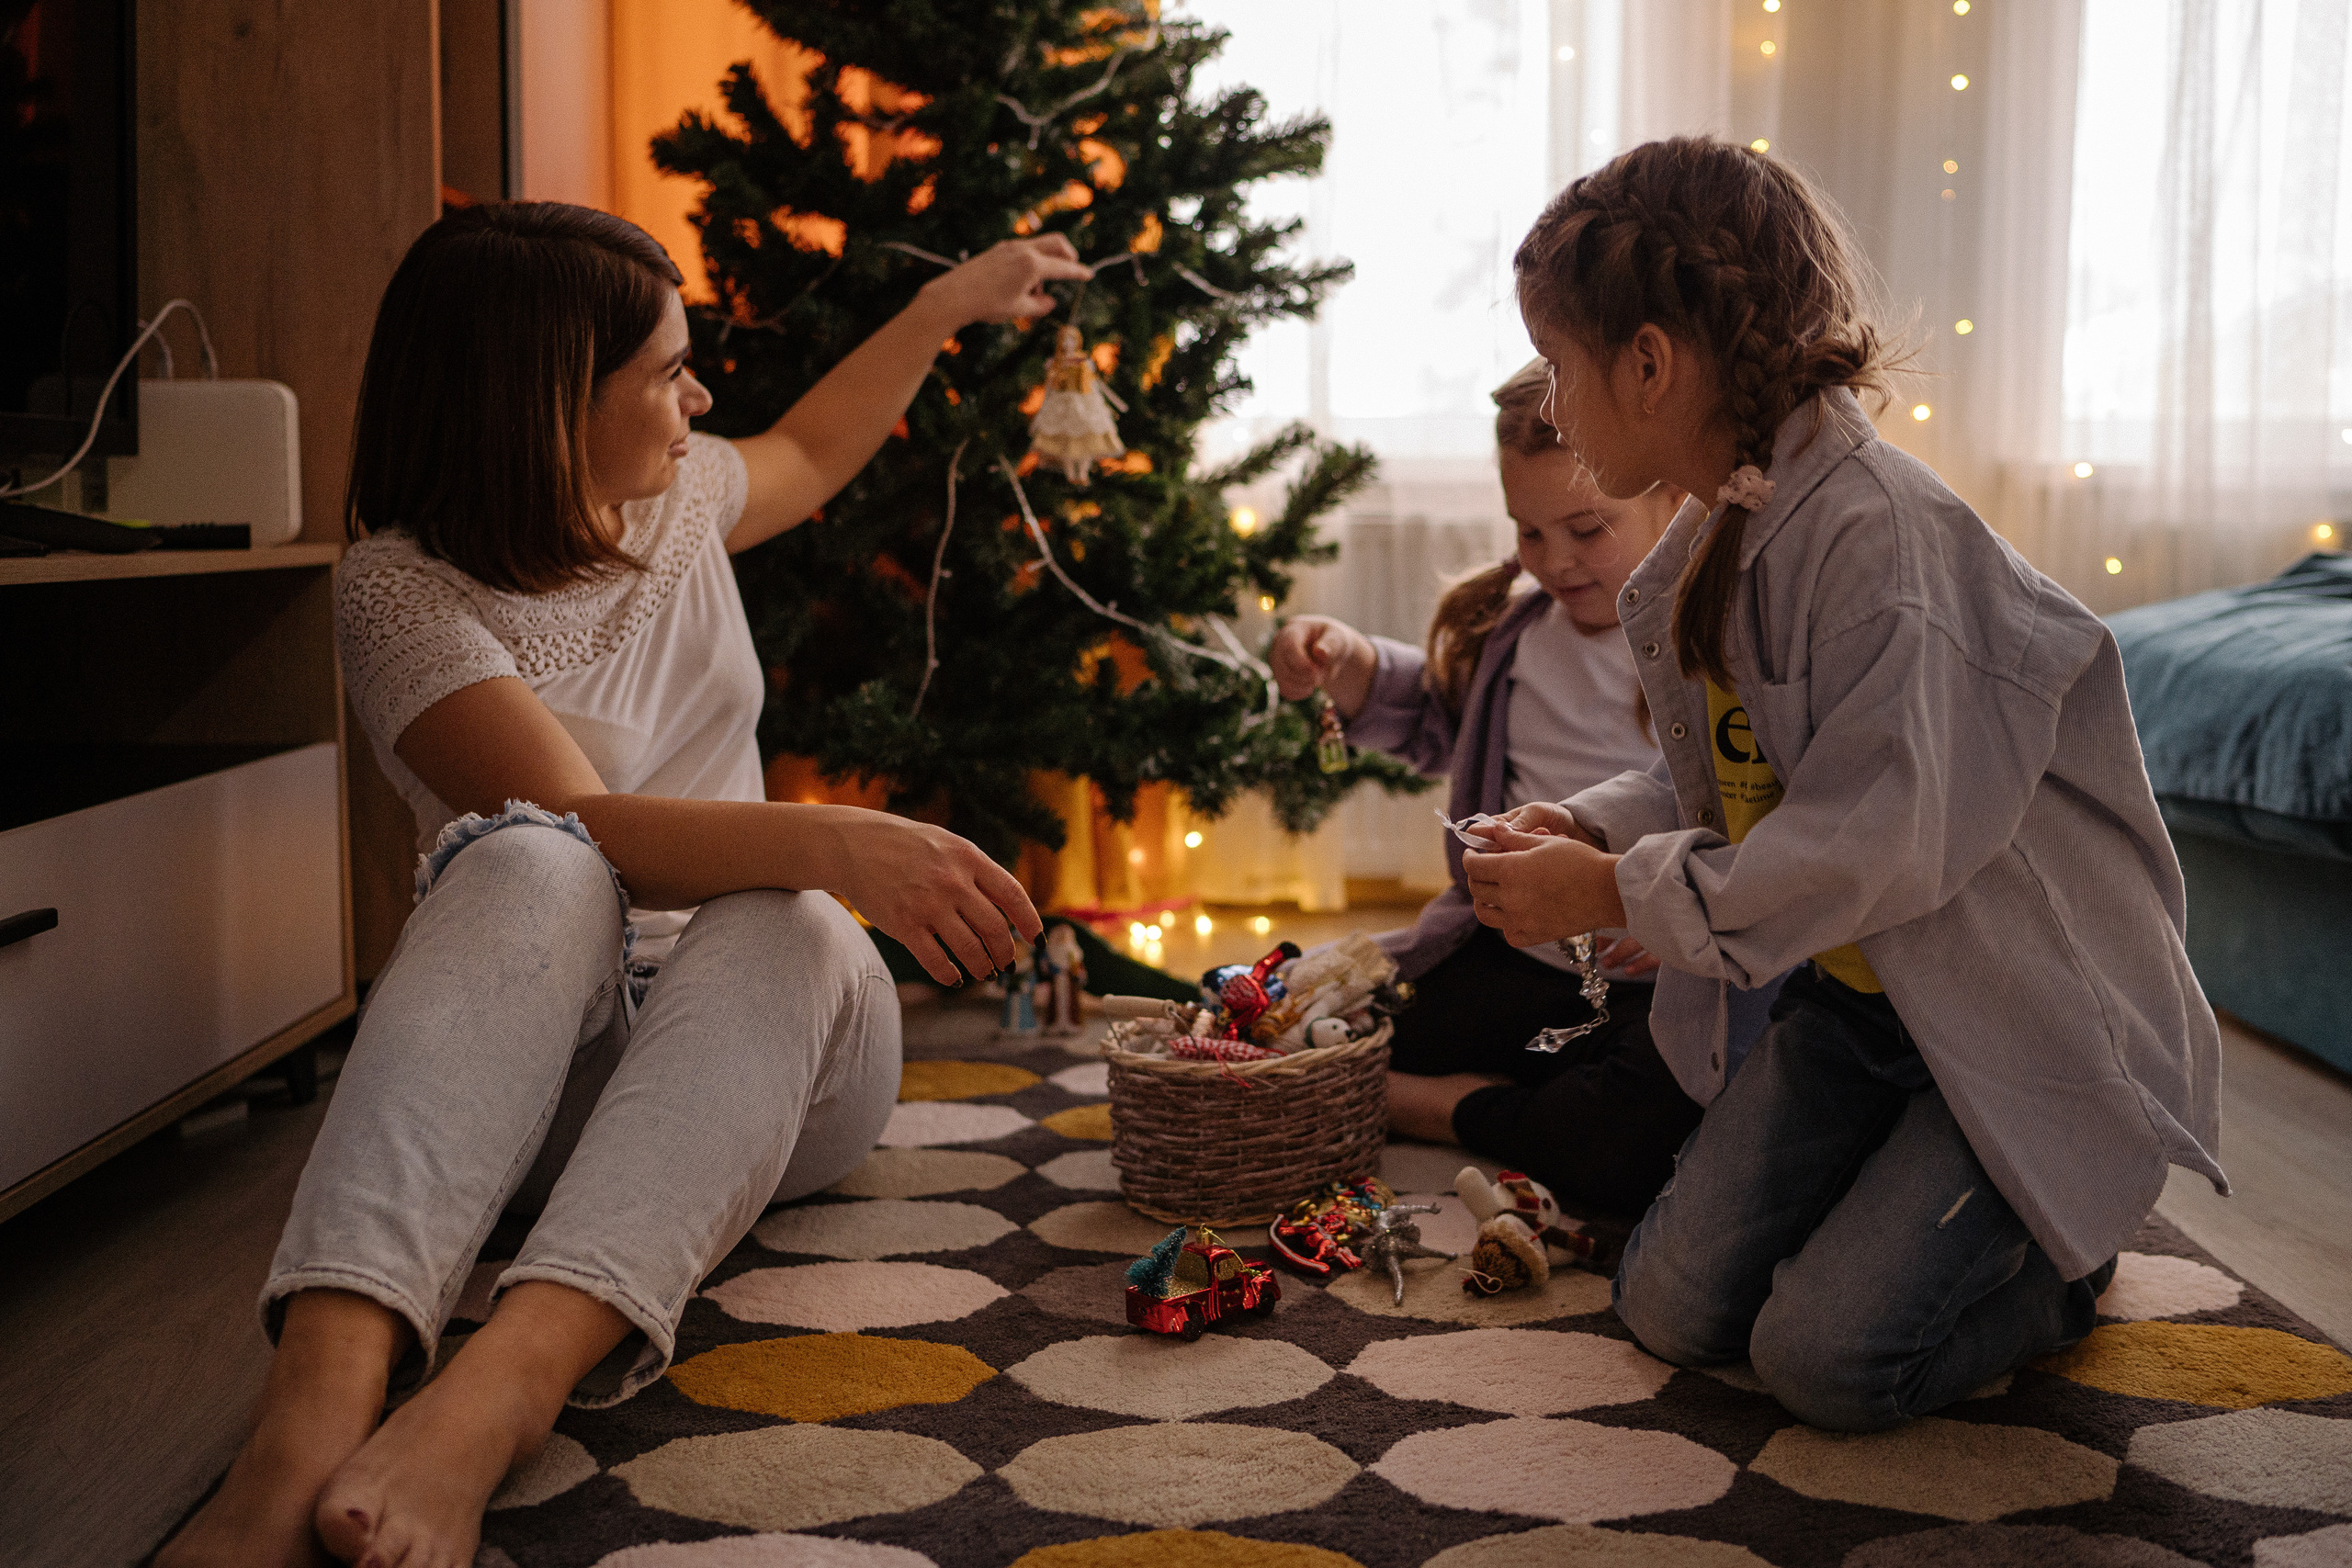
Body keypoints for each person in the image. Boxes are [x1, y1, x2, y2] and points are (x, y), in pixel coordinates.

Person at [159, 203, 1091, 1568]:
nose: (701, 395)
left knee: (787, 917)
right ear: (542, 401)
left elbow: (820, 446)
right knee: (538, 851)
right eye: (666, 368)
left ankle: (500, 1391)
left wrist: (949, 302)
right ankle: (303, 1428)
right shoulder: (398, 592)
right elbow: (589, 822)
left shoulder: (686, 494)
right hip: (537, 1068)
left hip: (779, 1043)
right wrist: (830, 834)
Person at [1462, 137, 2225, 1431]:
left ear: (1649, 364)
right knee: (1672, 1303)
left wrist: (1610, 889)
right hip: (1867, 1008)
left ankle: (2059, 1264)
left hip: (2009, 1019)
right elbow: (1736, 780)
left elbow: (1865, 842)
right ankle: (1910, 1203)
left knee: (1827, 1362)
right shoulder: (1725, 521)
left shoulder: (1880, 543)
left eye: (1561, 364)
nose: (1554, 395)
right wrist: (1595, 824)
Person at [1269, 364, 1709, 1218]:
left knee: (1630, 1139)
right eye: (1529, 532)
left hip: (1652, 988)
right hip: (1508, 955)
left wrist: (1683, 923)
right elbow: (1432, 712)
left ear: (1673, 499)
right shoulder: (1515, 633)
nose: (1555, 560)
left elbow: (1752, 822)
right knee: (1330, 1022)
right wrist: (1348, 660)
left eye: (1586, 527)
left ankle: (1439, 1106)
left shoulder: (1705, 642)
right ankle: (1504, 1084)